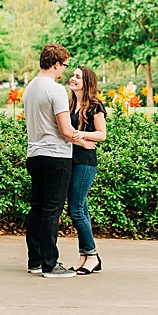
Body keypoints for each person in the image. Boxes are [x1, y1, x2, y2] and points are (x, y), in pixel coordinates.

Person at [24, 43, 90, 278]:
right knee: (52, 210)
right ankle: (50, 265)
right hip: (56, 157)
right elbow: (65, 129)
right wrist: (84, 142)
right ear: (55, 64)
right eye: (64, 65)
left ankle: (35, 260)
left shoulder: (29, 88)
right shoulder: (56, 90)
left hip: (34, 155)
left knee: (38, 209)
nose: (64, 70)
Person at [67, 65, 107, 275]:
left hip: (85, 162)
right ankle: (84, 256)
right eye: (72, 75)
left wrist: (80, 135)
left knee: (75, 209)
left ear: (86, 82)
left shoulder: (95, 106)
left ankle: (92, 254)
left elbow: (102, 135)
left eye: (77, 77)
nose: (72, 79)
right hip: (70, 161)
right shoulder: (71, 104)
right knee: (81, 209)